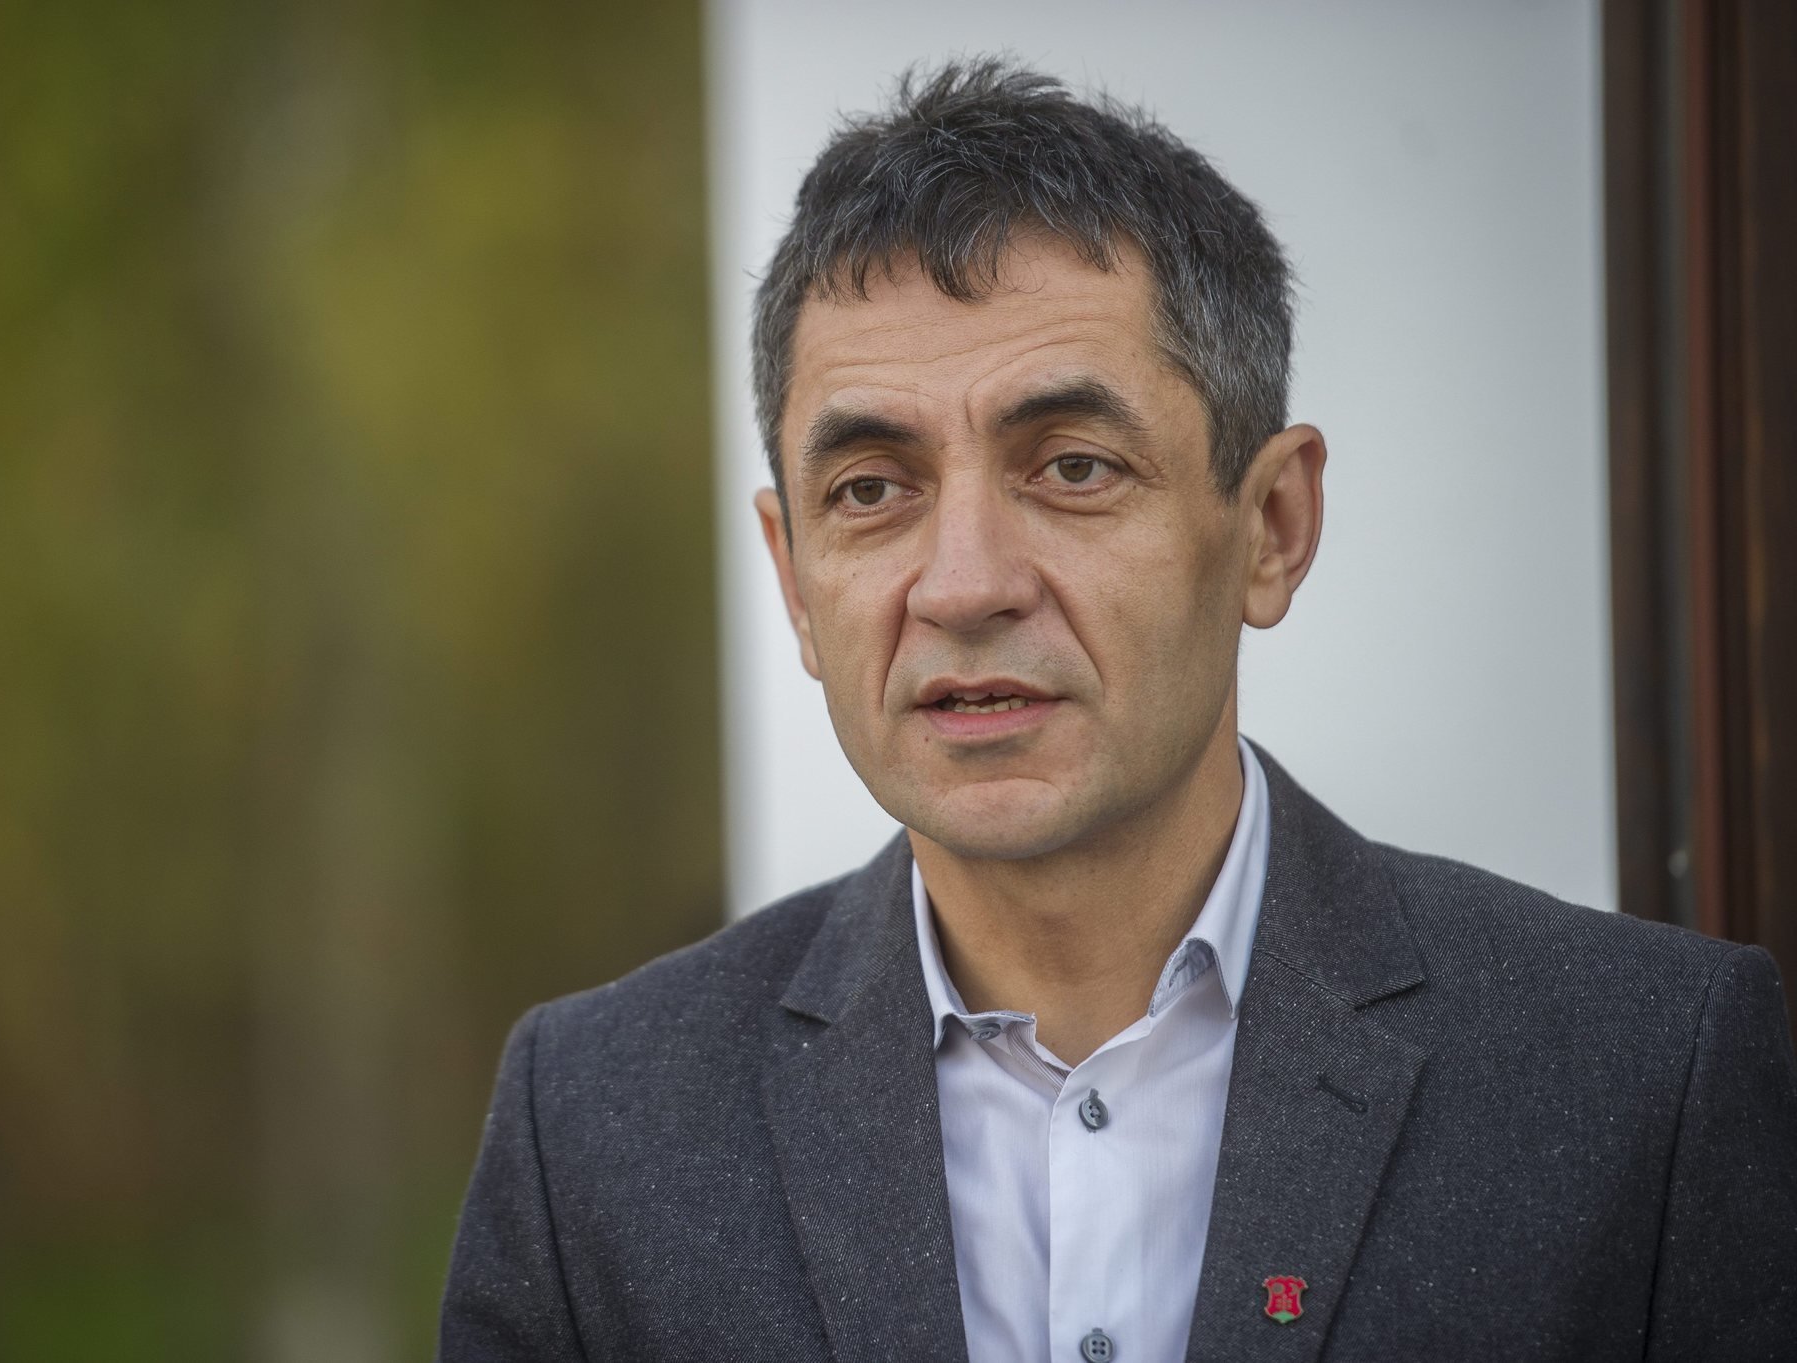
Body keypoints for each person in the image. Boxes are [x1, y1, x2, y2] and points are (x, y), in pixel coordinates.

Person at [438, 59, 1797, 1362]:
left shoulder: (1641, 1074)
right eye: (871, 490)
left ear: (1272, 526)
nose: (965, 585)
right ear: (794, 580)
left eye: (1074, 468)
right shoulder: (596, 1130)